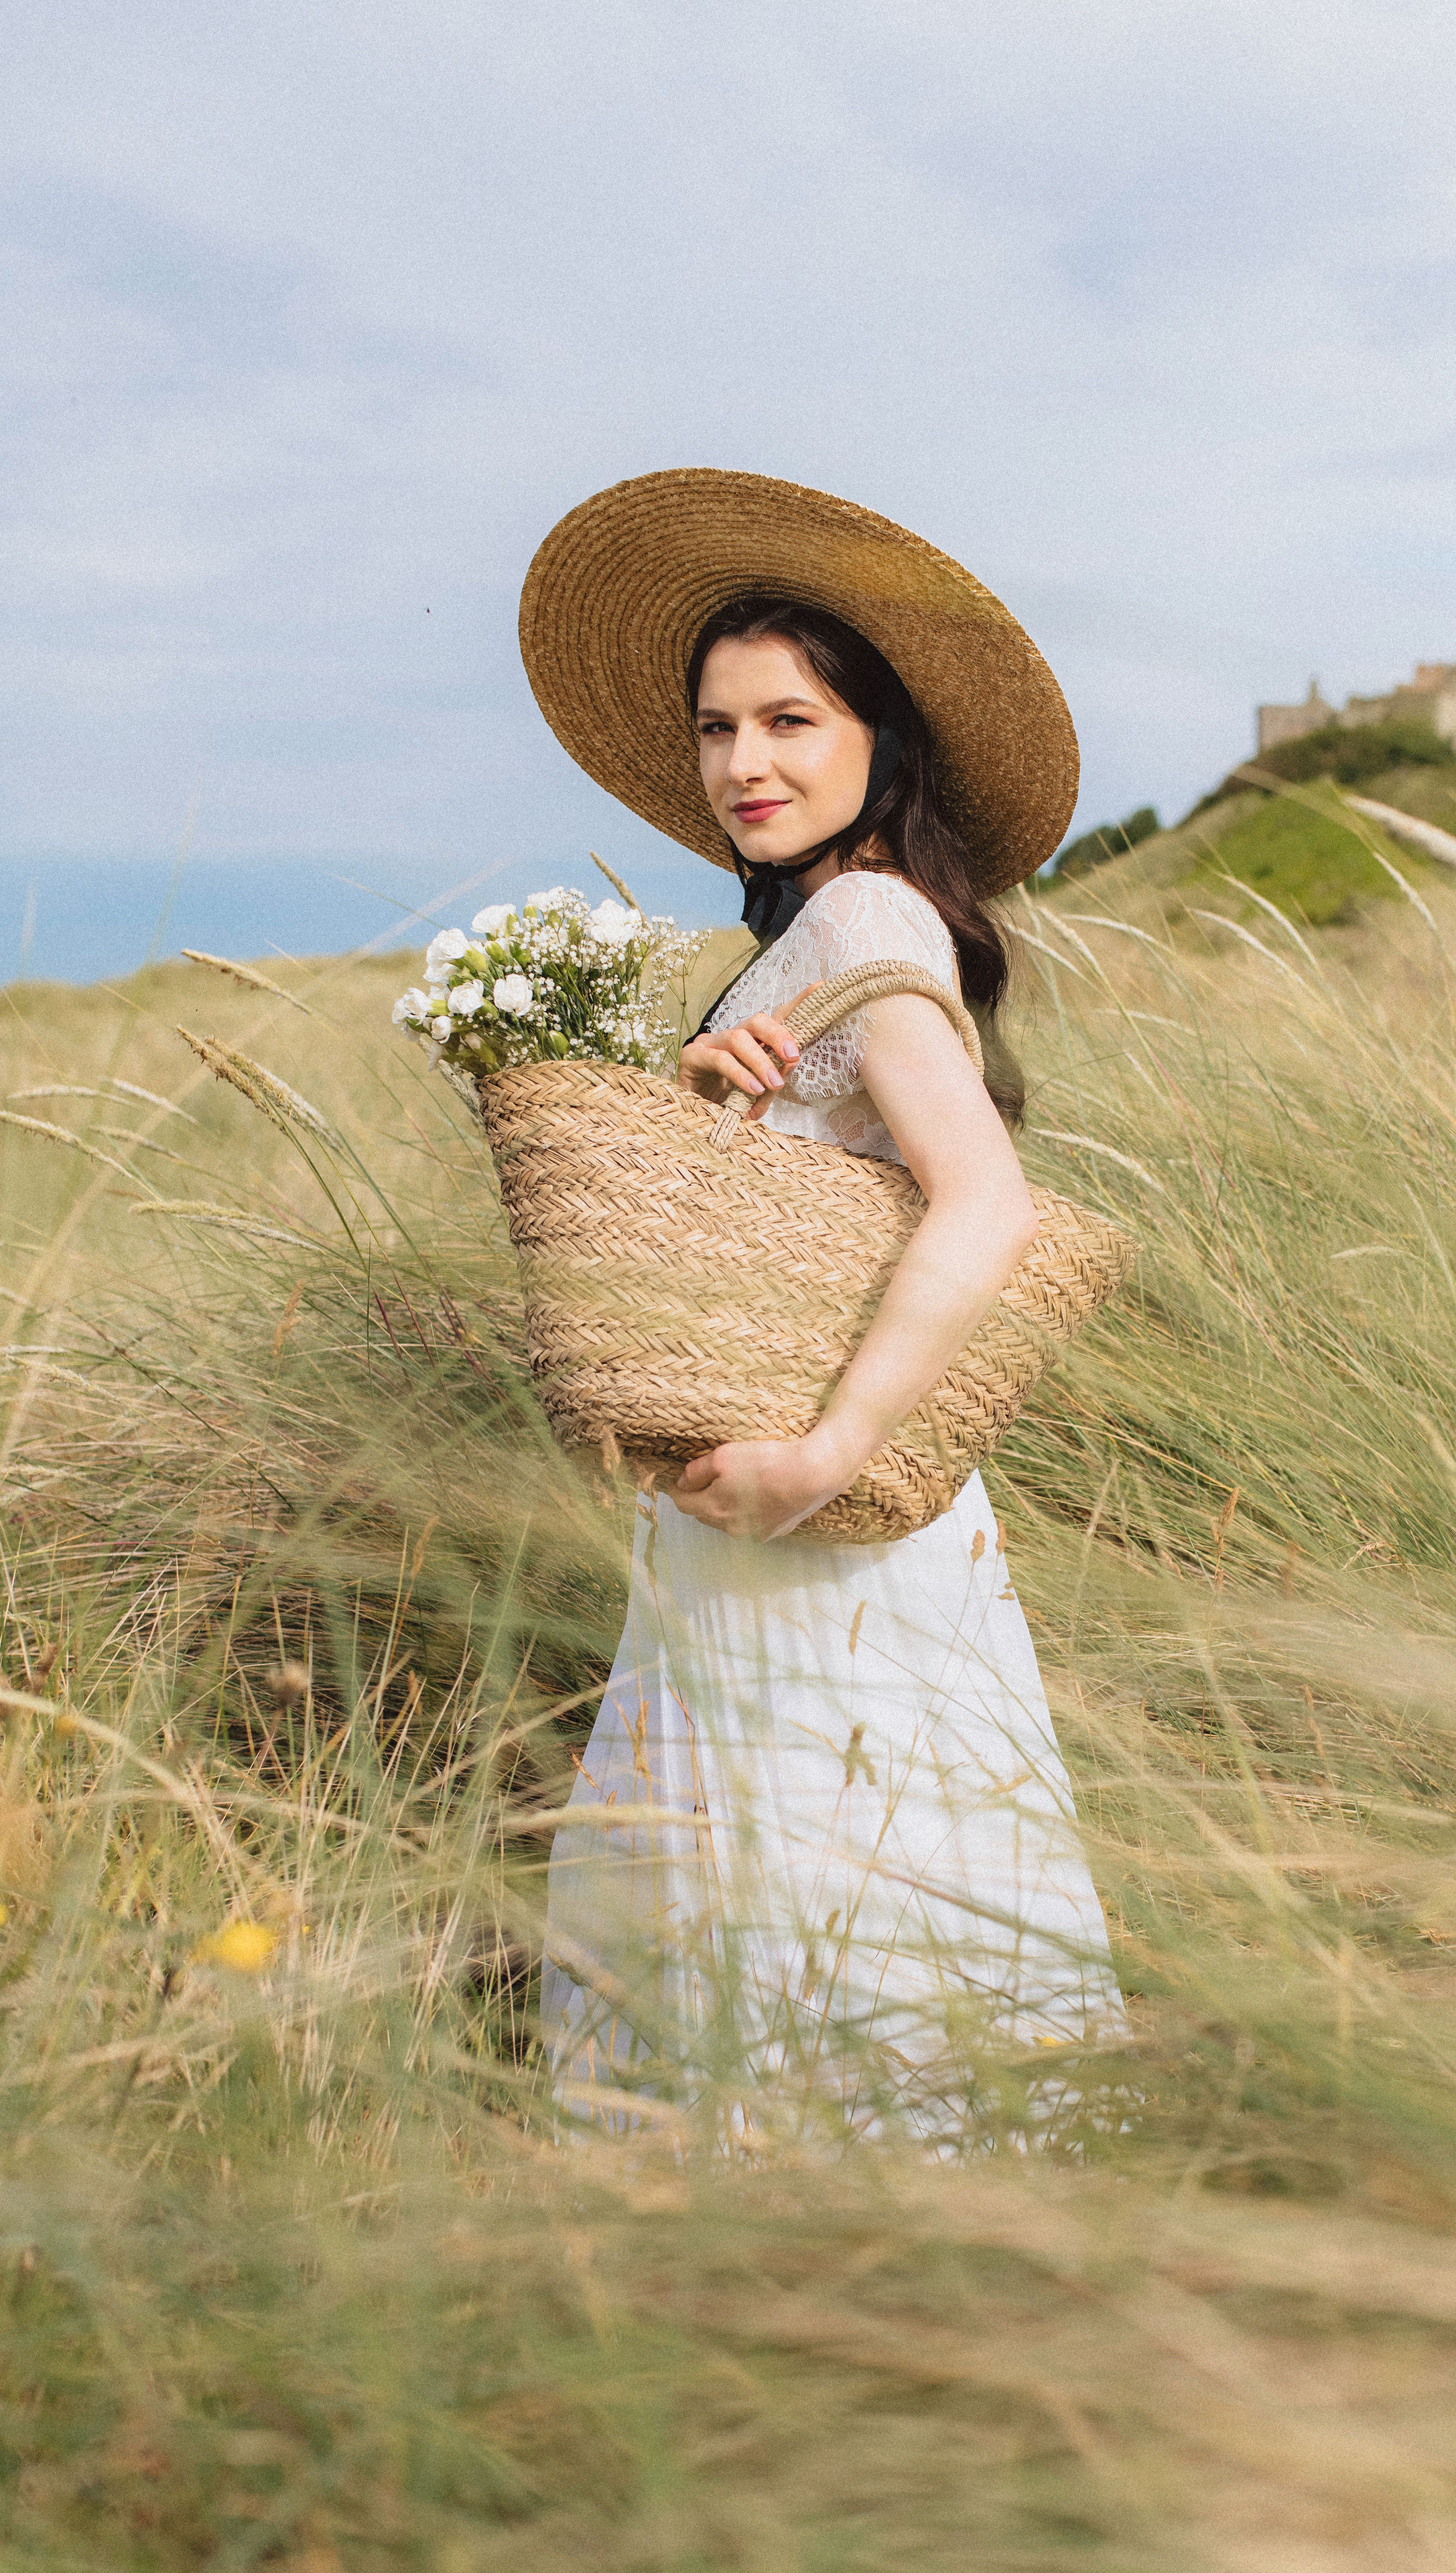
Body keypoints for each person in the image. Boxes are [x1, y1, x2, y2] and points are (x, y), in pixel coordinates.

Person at [518, 471, 1126, 2146]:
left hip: (819, 1510)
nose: (742, 766)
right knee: (808, 1889)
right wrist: (716, 1092)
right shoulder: (807, 940)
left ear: (880, 741)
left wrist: (822, 1456)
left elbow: (982, 1201)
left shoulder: (863, 912)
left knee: (814, 1887)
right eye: (717, 729)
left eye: (789, 719)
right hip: (766, 1512)